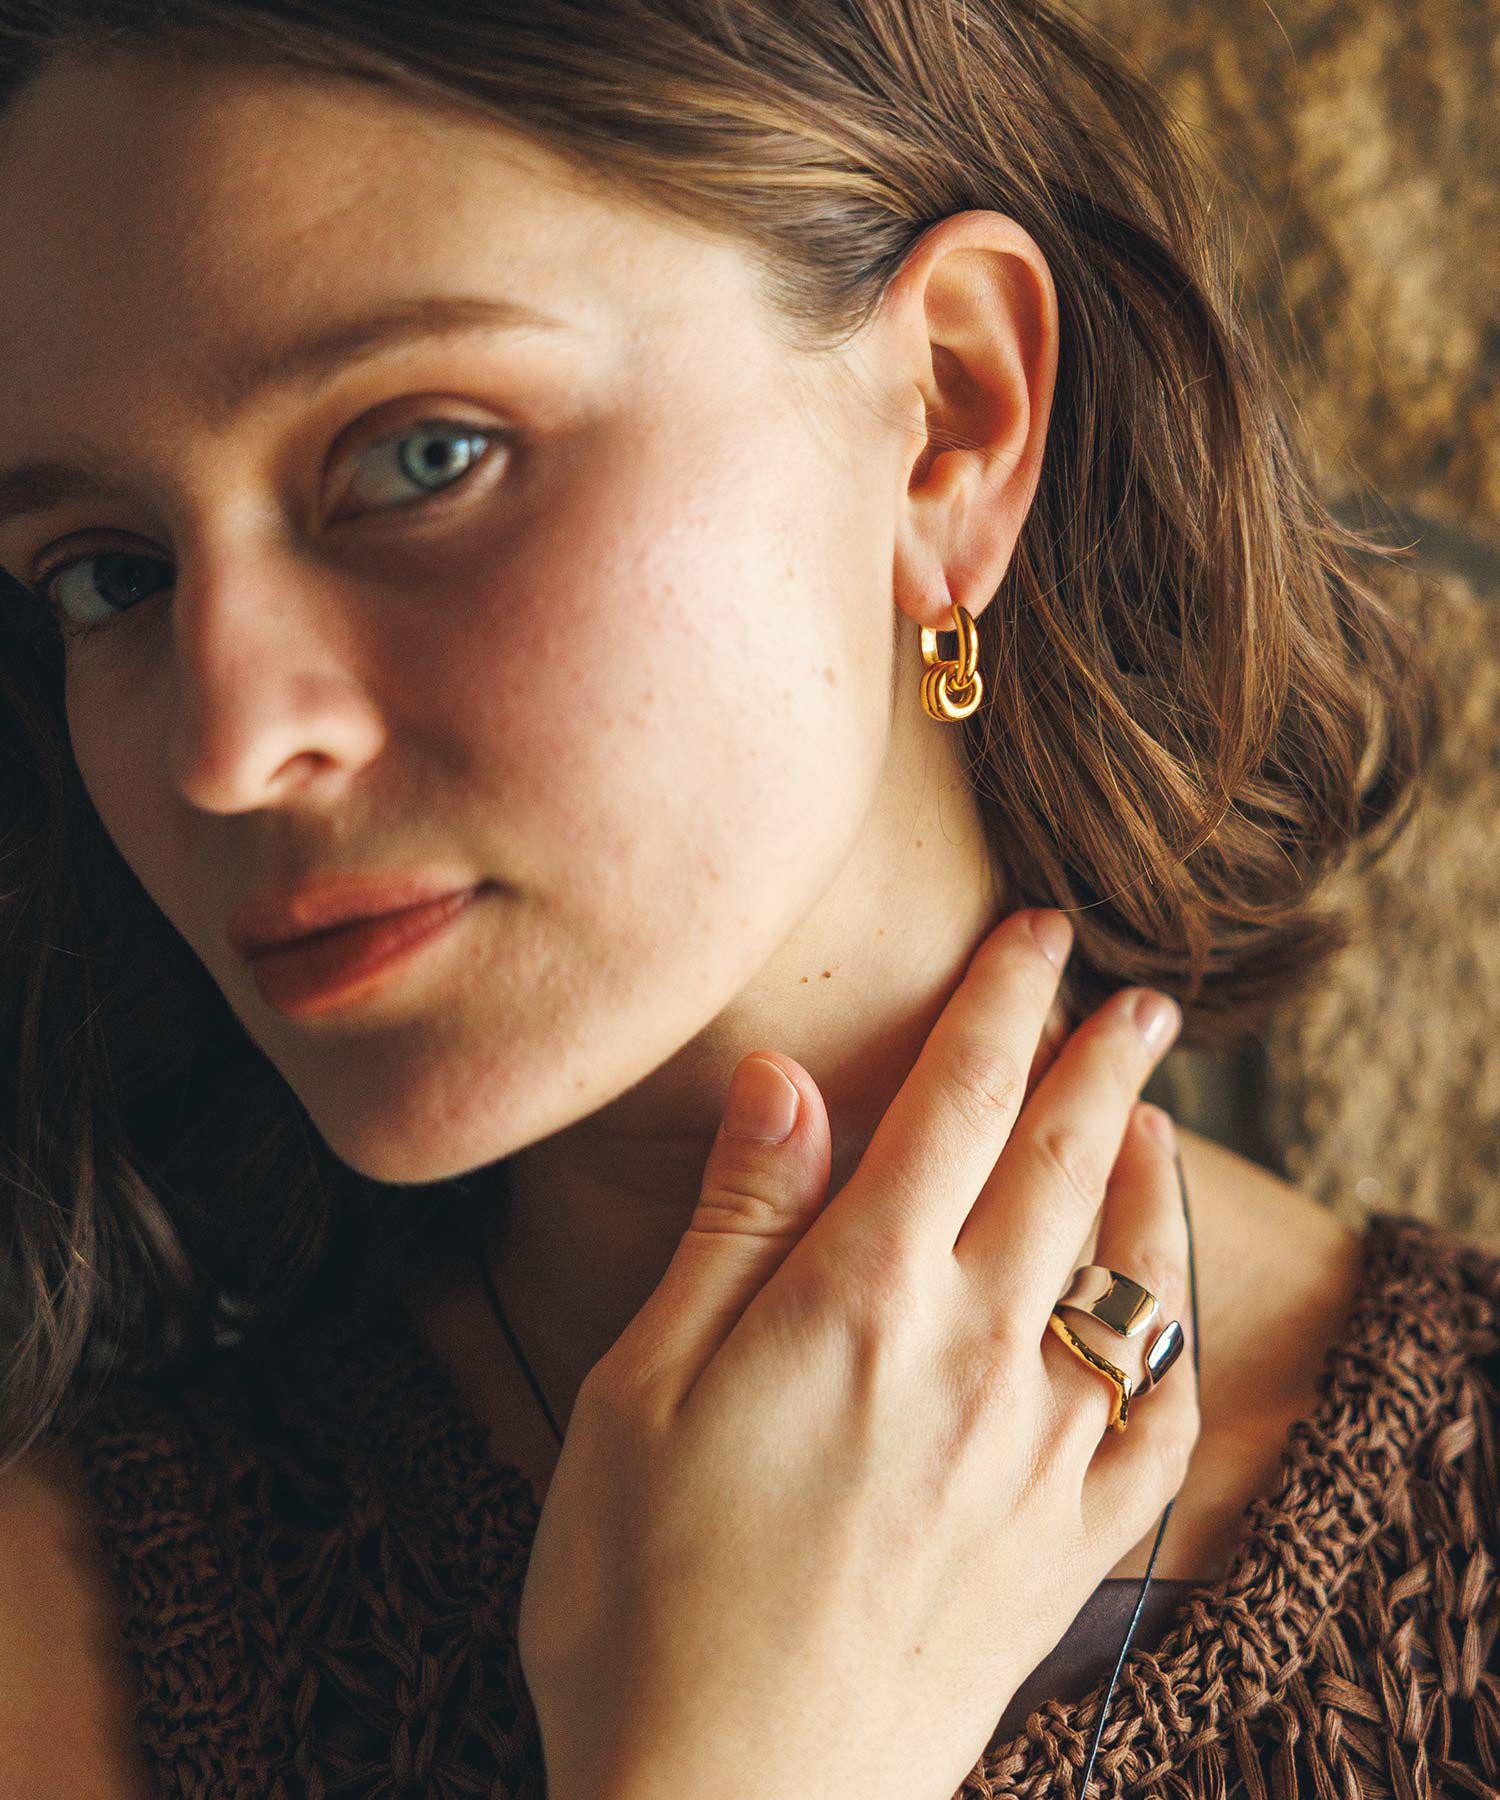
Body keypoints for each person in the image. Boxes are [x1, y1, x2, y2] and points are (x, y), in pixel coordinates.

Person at [0, 4, 1493, 1798]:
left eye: (422, 456)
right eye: (110, 576)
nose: (227, 746)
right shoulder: (61, 1646)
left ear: (949, 422)